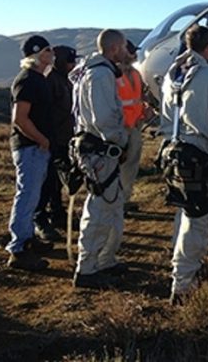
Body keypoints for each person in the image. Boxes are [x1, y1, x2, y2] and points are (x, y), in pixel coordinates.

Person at [161, 25, 208, 302]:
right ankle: (183, 283)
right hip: (200, 157)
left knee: (184, 212)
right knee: (197, 219)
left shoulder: (172, 77)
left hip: (171, 152)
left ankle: (182, 267)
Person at [70, 29, 130, 289]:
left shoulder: (90, 72)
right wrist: (120, 141)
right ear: (115, 48)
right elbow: (104, 118)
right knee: (99, 208)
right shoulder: (101, 74)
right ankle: (87, 268)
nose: (128, 52)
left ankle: (105, 259)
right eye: (125, 47)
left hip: (98, 150)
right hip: (101, 151)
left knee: (111, 204)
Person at [6, 35, 55, 271]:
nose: (52, 53)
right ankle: (19, 249)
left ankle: (28, 240)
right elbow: (20, 118)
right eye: (48, 50)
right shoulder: (27, 81)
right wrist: (41, 139)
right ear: (37, 54)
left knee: (32, 196)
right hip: (30, 147)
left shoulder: (37, 79)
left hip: (36, 146)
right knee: (27, 196)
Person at [34, 45, 78, 242]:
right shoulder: (51, 81)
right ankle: (40, 219)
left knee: (58, 180)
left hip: (64, 138)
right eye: (70, 60)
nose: (73, 64)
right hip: (52, 138)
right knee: (47, 181)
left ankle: (58, 214)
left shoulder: (65, 80)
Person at [118, 40, 151, 215]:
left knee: (130, 167)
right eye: (131, 52)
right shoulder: (113, 75)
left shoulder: (136, 74)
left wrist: (144, 110)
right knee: (118, 168)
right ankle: (117, 202)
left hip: (135, 126)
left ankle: (124, 199)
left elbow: (138, 97)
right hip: (120, 128)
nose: (135, 55)